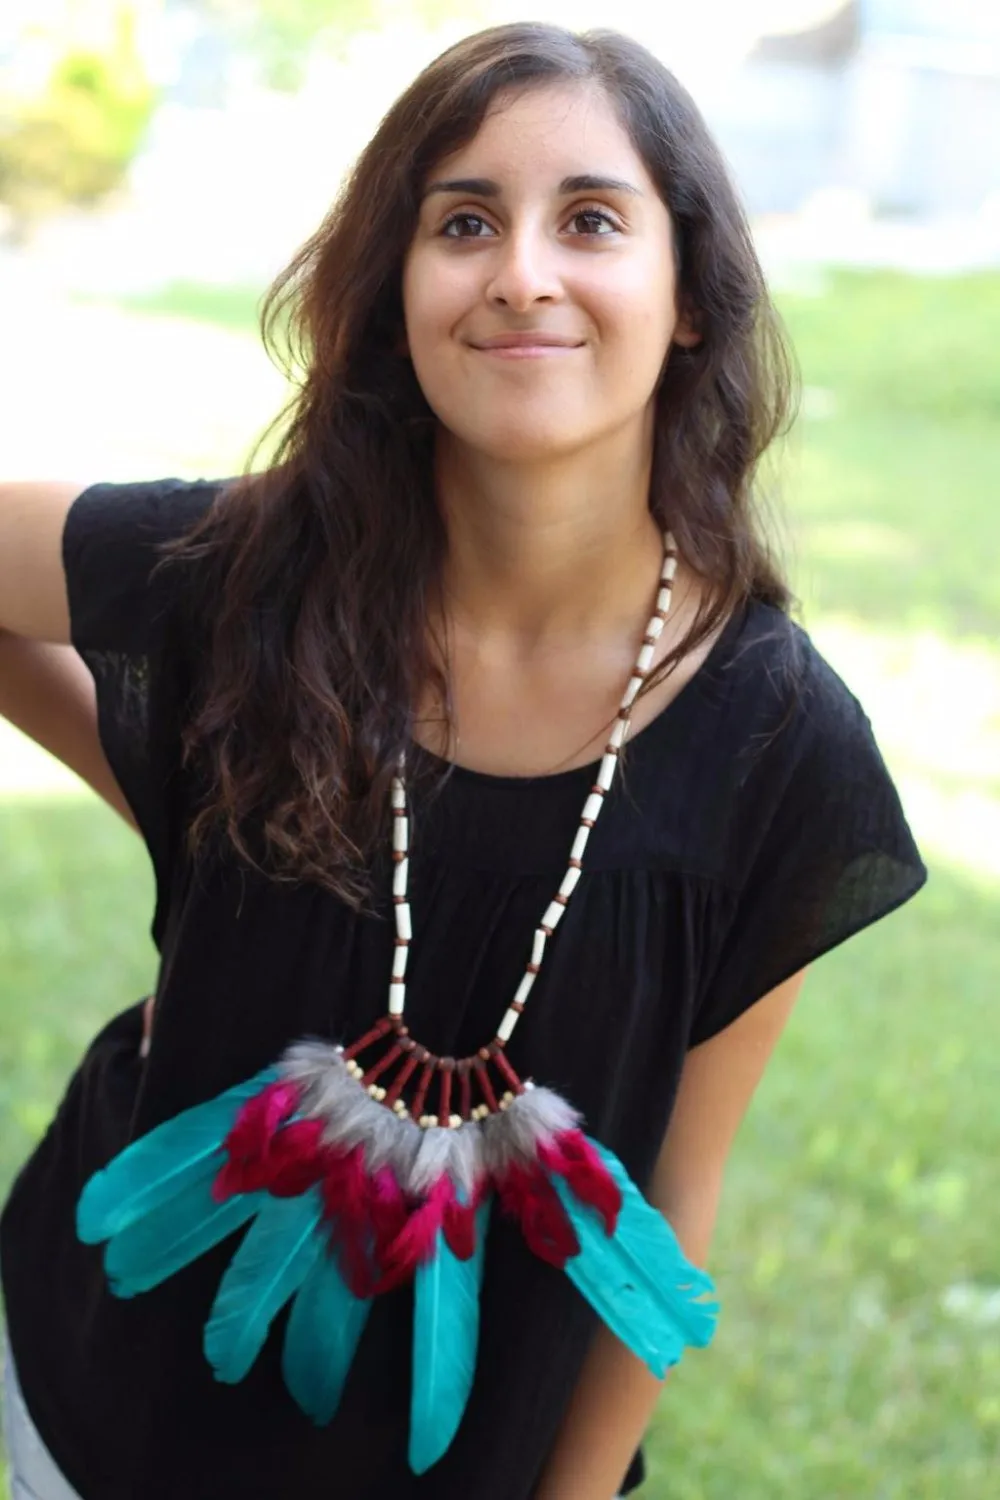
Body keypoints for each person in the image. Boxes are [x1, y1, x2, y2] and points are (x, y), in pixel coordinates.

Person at [0, 21, 926, 1500]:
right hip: (114, 1405)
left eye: (594, 220)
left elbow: (672, 1206)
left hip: (475, 1454)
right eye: (465, 222)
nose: (523, 272)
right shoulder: (255, 573)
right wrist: (203, 818)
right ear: (397, 291)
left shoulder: (778, 741)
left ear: (688, 297)